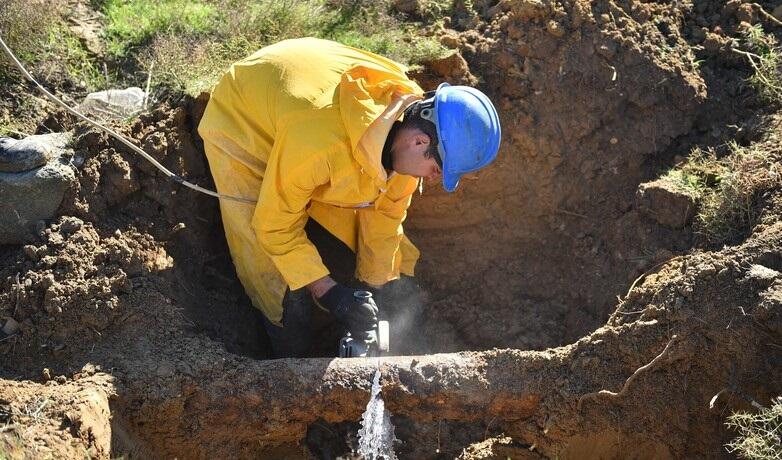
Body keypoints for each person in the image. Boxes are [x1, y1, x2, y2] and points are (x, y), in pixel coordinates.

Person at [198, 37, 500, 358]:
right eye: (438, 168)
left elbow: (385, 215)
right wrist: (331, 295)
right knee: (281, 286)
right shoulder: (321, 146)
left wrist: (373, 288)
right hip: (244, 121)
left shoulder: (405, 125)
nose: (436, 179)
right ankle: (288, 363)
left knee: (381, 260)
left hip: (301, 110)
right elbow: (273, 225)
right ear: (418, 141)